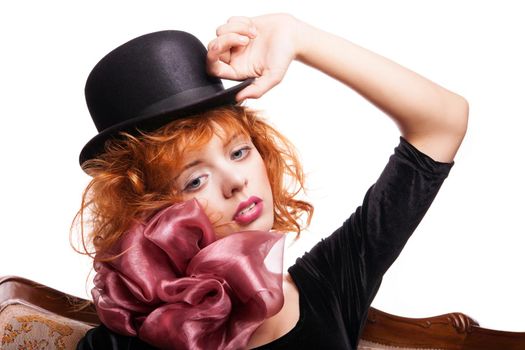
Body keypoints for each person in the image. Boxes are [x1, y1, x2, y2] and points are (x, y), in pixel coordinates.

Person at [75, 13, 468, 350]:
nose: (235, 182)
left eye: (239, 152)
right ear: (149, 214)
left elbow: (443, 122)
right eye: (195, 180)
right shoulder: (123, 341)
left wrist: (297, 36)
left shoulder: (331, 283)